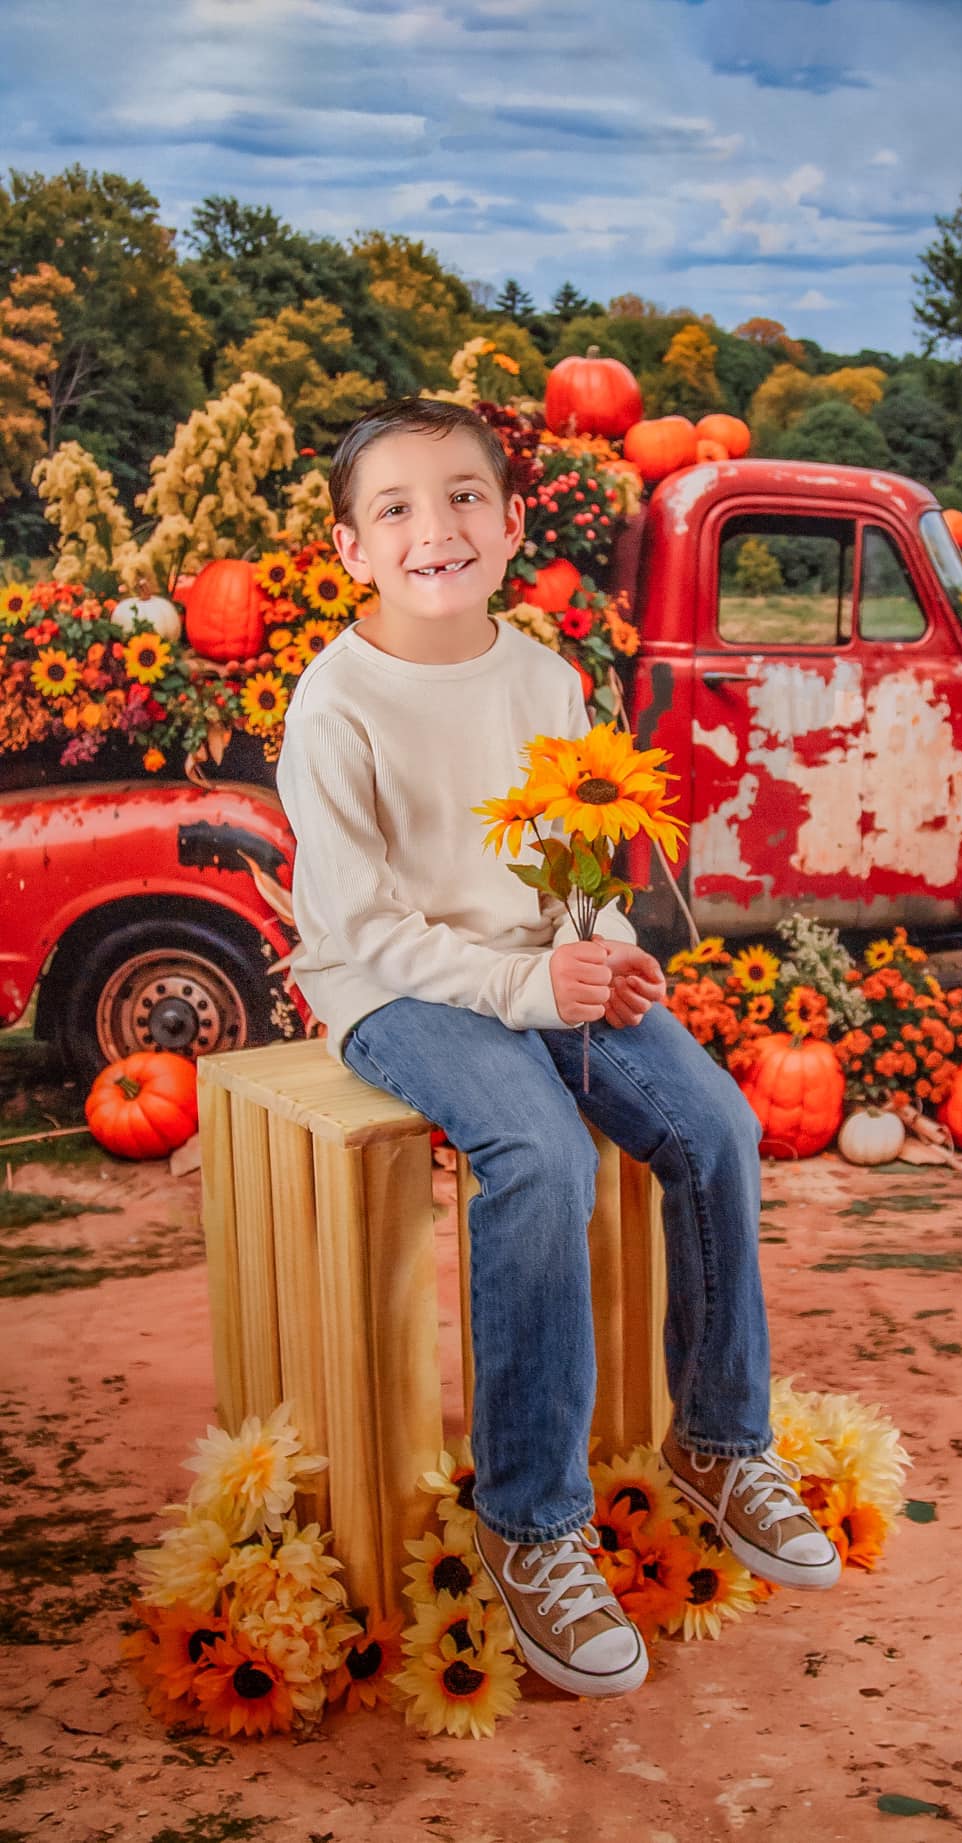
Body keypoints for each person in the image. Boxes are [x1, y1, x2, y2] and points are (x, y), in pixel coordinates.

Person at [275, 397, 841, 1702]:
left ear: (513, 522)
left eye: (466, 496)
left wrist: (602, 939)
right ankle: (529, 1523)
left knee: (714, 1125)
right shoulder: (337, 704)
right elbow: (360, 926)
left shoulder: (542, 676)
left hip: (540, 966)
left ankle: (718, 1438)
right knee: (536, 1154)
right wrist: (536, 984)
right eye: (398, 507)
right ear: (351, 549)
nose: (438, 527)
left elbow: (571, 861)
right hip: (394, 987)